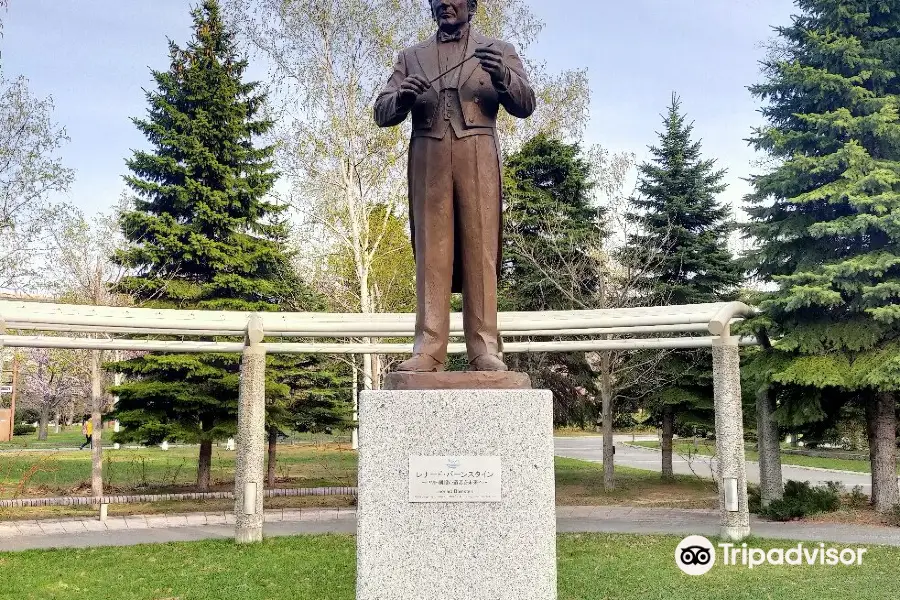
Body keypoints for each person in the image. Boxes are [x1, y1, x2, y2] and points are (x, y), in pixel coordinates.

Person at [374, 0, 535, 373]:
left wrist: (504, 78)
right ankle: (428, 348)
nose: (445, 2)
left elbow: (526, 104)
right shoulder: (411, 57)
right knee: (432, 251)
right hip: (427, 154)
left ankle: (484, 348)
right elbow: (381, 111)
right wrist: (401, 98)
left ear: (472, 5)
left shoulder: (498, 51)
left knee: (481, 249)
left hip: (478, 151)